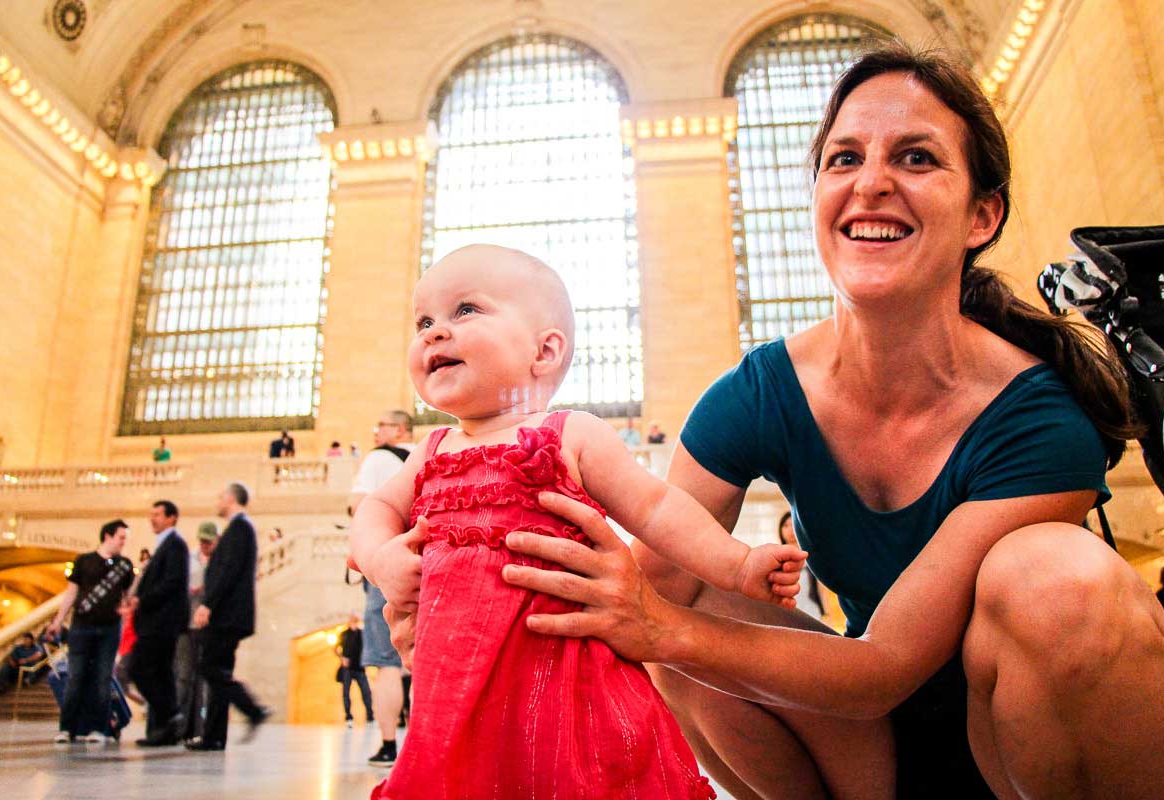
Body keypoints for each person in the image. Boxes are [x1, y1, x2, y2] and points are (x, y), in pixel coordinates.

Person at [488, 45, 1164, 800]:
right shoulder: (756, 392)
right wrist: (472, 612)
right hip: (860, 750)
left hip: (1010, 739)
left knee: (1057, 578)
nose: (872, 184)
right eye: (844, 159)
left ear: (983, 215)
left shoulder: (1039, 415)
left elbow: (884, 666)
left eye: (915, 158)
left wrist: (659, 628)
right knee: (672, 592)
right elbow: (633, 597)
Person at [352, 244, 811, 799]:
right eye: (423, 321)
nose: (433, 332)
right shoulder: (431, 449)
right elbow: (375, 509)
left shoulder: (572, 434)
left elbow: (657, 510)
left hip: (571, 679)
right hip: (456, 689)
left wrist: (737, 564)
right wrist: (381, 557)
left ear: (544, 351)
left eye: (465, 311)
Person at [348, 409, 417, 766]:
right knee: (425, 658)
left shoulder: (377, 459)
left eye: (383, 426)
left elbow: (360, 507)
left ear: (400, 428)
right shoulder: (425, 453)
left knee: (387, 661)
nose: (376, 432)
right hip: (426, 561)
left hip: (387, 562)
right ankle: (426, 745)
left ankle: (389, 744)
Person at [187, 482, 270, 751]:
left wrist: (207, 604)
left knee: (210, 667)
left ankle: (253, 709)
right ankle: (214, 736)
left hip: (227, 614)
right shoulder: (237, 529)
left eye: (221, 496)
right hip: (228, 613)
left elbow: (229, 570)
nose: (217, 500)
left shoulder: (240, 528)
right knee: (218, 670)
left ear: (232, 499)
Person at [47, 519, 134, 744]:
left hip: (109, 629)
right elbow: (71, 593)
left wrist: (126, 608)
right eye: (121, 537)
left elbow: (127, 597)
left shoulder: (124, 566)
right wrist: (58, 621)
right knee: (76, 677)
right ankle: (67, 728)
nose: (124, 542)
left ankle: (99, 728)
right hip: (81, 627)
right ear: (108, 536)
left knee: (103, 678)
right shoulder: (84, 561)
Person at [129, 500, 190, 747]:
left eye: (158, 514)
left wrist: (141, 600)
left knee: (138, 669)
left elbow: (173, 582)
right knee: (162, 674)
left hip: (162, 622)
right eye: (151, 514)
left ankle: (171, 713)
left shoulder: (175, 545)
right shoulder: (165, 544)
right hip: (158, 621)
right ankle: (165, 731)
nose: (152, 518)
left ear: (172, 518)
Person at [177, 521, 218, 742]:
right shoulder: (190, 559)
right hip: (189, 624)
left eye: (208, 541)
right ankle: (185, 727)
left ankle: (202, 728)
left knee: (205, 679)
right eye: (202, 540)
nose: (204, 545)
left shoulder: (221, 562)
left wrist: (206, 590)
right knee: (186, 677)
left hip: (209, 626)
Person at [779, 511, 824, 620]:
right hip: (787, 615)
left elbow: (821, 590)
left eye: (793, 524)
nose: (790, 530)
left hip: (812, 613)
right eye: (786, 525)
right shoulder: (776, 557)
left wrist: (826, 614)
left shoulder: (811, 555)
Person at [336, 613, 373, 728]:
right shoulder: (344, 634)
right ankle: (348, 717)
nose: (353, 620)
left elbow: (368, 648)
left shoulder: (362, 634)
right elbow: (336, 648)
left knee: (366, 692)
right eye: (351, 618)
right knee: (346, 693)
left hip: (360, 668)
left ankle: (370, 717)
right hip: (347, 668)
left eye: (355, 618)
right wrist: (342, 659)